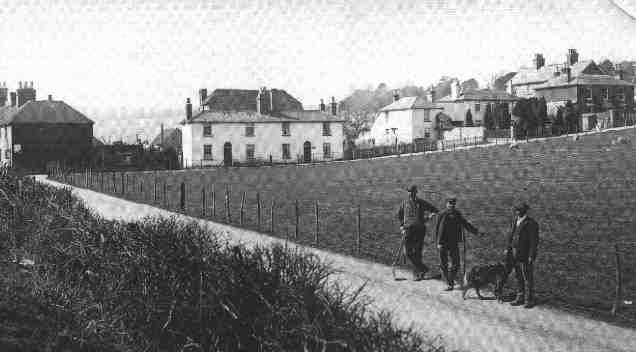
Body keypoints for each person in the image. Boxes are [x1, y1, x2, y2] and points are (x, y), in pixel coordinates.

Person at [434, 197, 484, 291]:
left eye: (453, 204)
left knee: (456, 263)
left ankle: (450, 278)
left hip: (453, 242)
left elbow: (465, 224)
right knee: (443, 263)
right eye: (449, 203)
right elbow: (437, 230)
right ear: (446, 204)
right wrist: (438, 242)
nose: (451, 205)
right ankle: (449, 283)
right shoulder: (441, 214)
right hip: (443, 243)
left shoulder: (457, 214)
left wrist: (476, 232)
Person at [396, 185, 439, 281]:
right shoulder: (404, 203)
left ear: (416, 192)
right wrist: (401, 226)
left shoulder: (421, 203)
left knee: (417, 252)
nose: (411, 193)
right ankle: (424, 269)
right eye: (409, 191)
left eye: (412, 191)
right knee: (408, 252)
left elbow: (435, 210)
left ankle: (418, 274)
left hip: (420, 230)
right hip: (408, 230)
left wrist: (428, 217)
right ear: (407, 193)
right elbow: (399, 215)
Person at [505, 202, 539, 308]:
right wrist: (507, 249)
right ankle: (520, 297)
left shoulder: (531, 223)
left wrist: (531, 255)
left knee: (527, 276)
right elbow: (510, 236)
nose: (517, 212)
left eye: (519, 210)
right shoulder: (514, 221)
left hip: (525, 254)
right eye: (516, 210)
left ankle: (529, 299)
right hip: (514, 253)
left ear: (525, 211)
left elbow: (534, 241)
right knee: (518, 275)